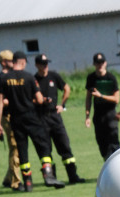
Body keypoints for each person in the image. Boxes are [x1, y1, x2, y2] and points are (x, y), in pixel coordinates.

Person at [0, 51, 64, 192]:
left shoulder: (4, 79)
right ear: (23, 62)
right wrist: (43, 100)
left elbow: (1, 102)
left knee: (22, 150)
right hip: (31, 117)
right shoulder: (29, 78)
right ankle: (48, 175)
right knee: (43, 145)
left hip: (15, 119)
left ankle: (27, 183)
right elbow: (39, 99)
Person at [34, 54, 85, 185]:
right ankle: (51, 177)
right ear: (37, 65)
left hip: (55, 116)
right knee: (46, 149)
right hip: (41, 118)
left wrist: (62, 105)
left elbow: (67, 88)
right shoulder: (33, 80)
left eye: (46, 63)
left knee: (64, 146)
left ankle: (73, 176)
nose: (45, 66)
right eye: (42, 63)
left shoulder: (53, 76)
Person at [0, 50, 22, 192]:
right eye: (11, 60)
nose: (14, 63)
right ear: (4, 62)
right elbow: (0, 101)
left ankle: (8, 178)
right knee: (15, 147)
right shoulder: (1, 79)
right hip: (8, 117)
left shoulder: (12, 76)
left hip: (16, 115)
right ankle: (16, 182)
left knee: (16, 148)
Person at [85, 52, 120, 160]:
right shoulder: (91, 78)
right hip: (98, 116)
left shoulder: (111, 77)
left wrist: (101, 96)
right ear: (94, 64)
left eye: (101, 62)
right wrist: (87, 116)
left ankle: (117, 166)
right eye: (97, 63)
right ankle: (108, 167)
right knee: (102, 144)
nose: (100, 65)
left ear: (105, 63)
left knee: (114, 144)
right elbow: (88, 98)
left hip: (110, 115)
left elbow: (117, 99)